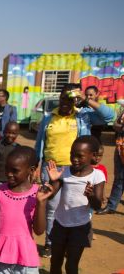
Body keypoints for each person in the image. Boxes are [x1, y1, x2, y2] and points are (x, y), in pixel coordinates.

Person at [35, 84, 114, 257]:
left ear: (75, 99)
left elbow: (109, 116)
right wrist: (36, 165)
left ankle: (75, 240)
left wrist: (86, 100)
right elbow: (40, 143)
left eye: (70, 99)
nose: (66, 102)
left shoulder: (82, 116)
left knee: (78, 205)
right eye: (63, 98)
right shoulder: (49, 117)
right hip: (52, 169)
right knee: (52, 208)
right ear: (59, 98)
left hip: (76, 170)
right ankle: (51, 243)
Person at [44, 136, 105, 274]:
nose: (75, 159)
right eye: (72, 154)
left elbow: (98, 205)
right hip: (60, 223)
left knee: (71, 265)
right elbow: (52, 192)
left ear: (92, 156)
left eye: (80, 156)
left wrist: (91, 196)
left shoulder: (97, 176)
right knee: (55, 261)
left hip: (80, 227)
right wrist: (52, 181)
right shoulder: (65, 173)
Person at [98, 105, 124, 214]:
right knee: (119, 178)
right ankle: (111, 206)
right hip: (120, 149)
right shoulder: (122, 111)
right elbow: (115, 125)